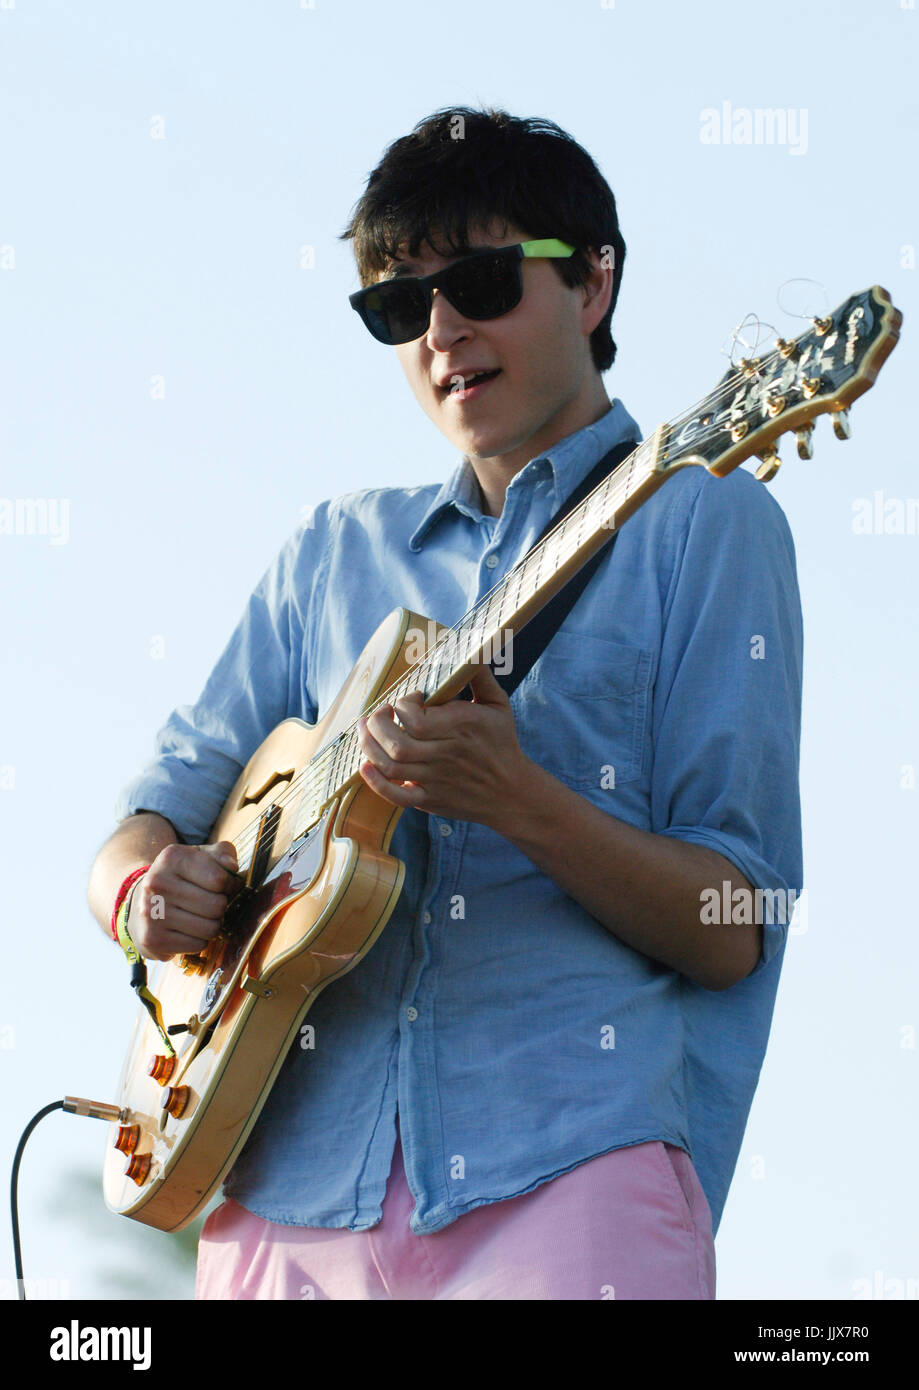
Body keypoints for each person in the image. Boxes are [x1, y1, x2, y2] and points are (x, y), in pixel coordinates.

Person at [87, 106, 803, 1301]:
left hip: (566, 1177)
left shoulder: (701, 517)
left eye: (476, 280)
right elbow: (138, 829)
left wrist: (519, 801)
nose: (439, 331)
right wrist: (145, 897)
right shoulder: (330, 550)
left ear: (592, 283)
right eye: (395, 306)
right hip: (281, 1195)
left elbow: (732, 921)